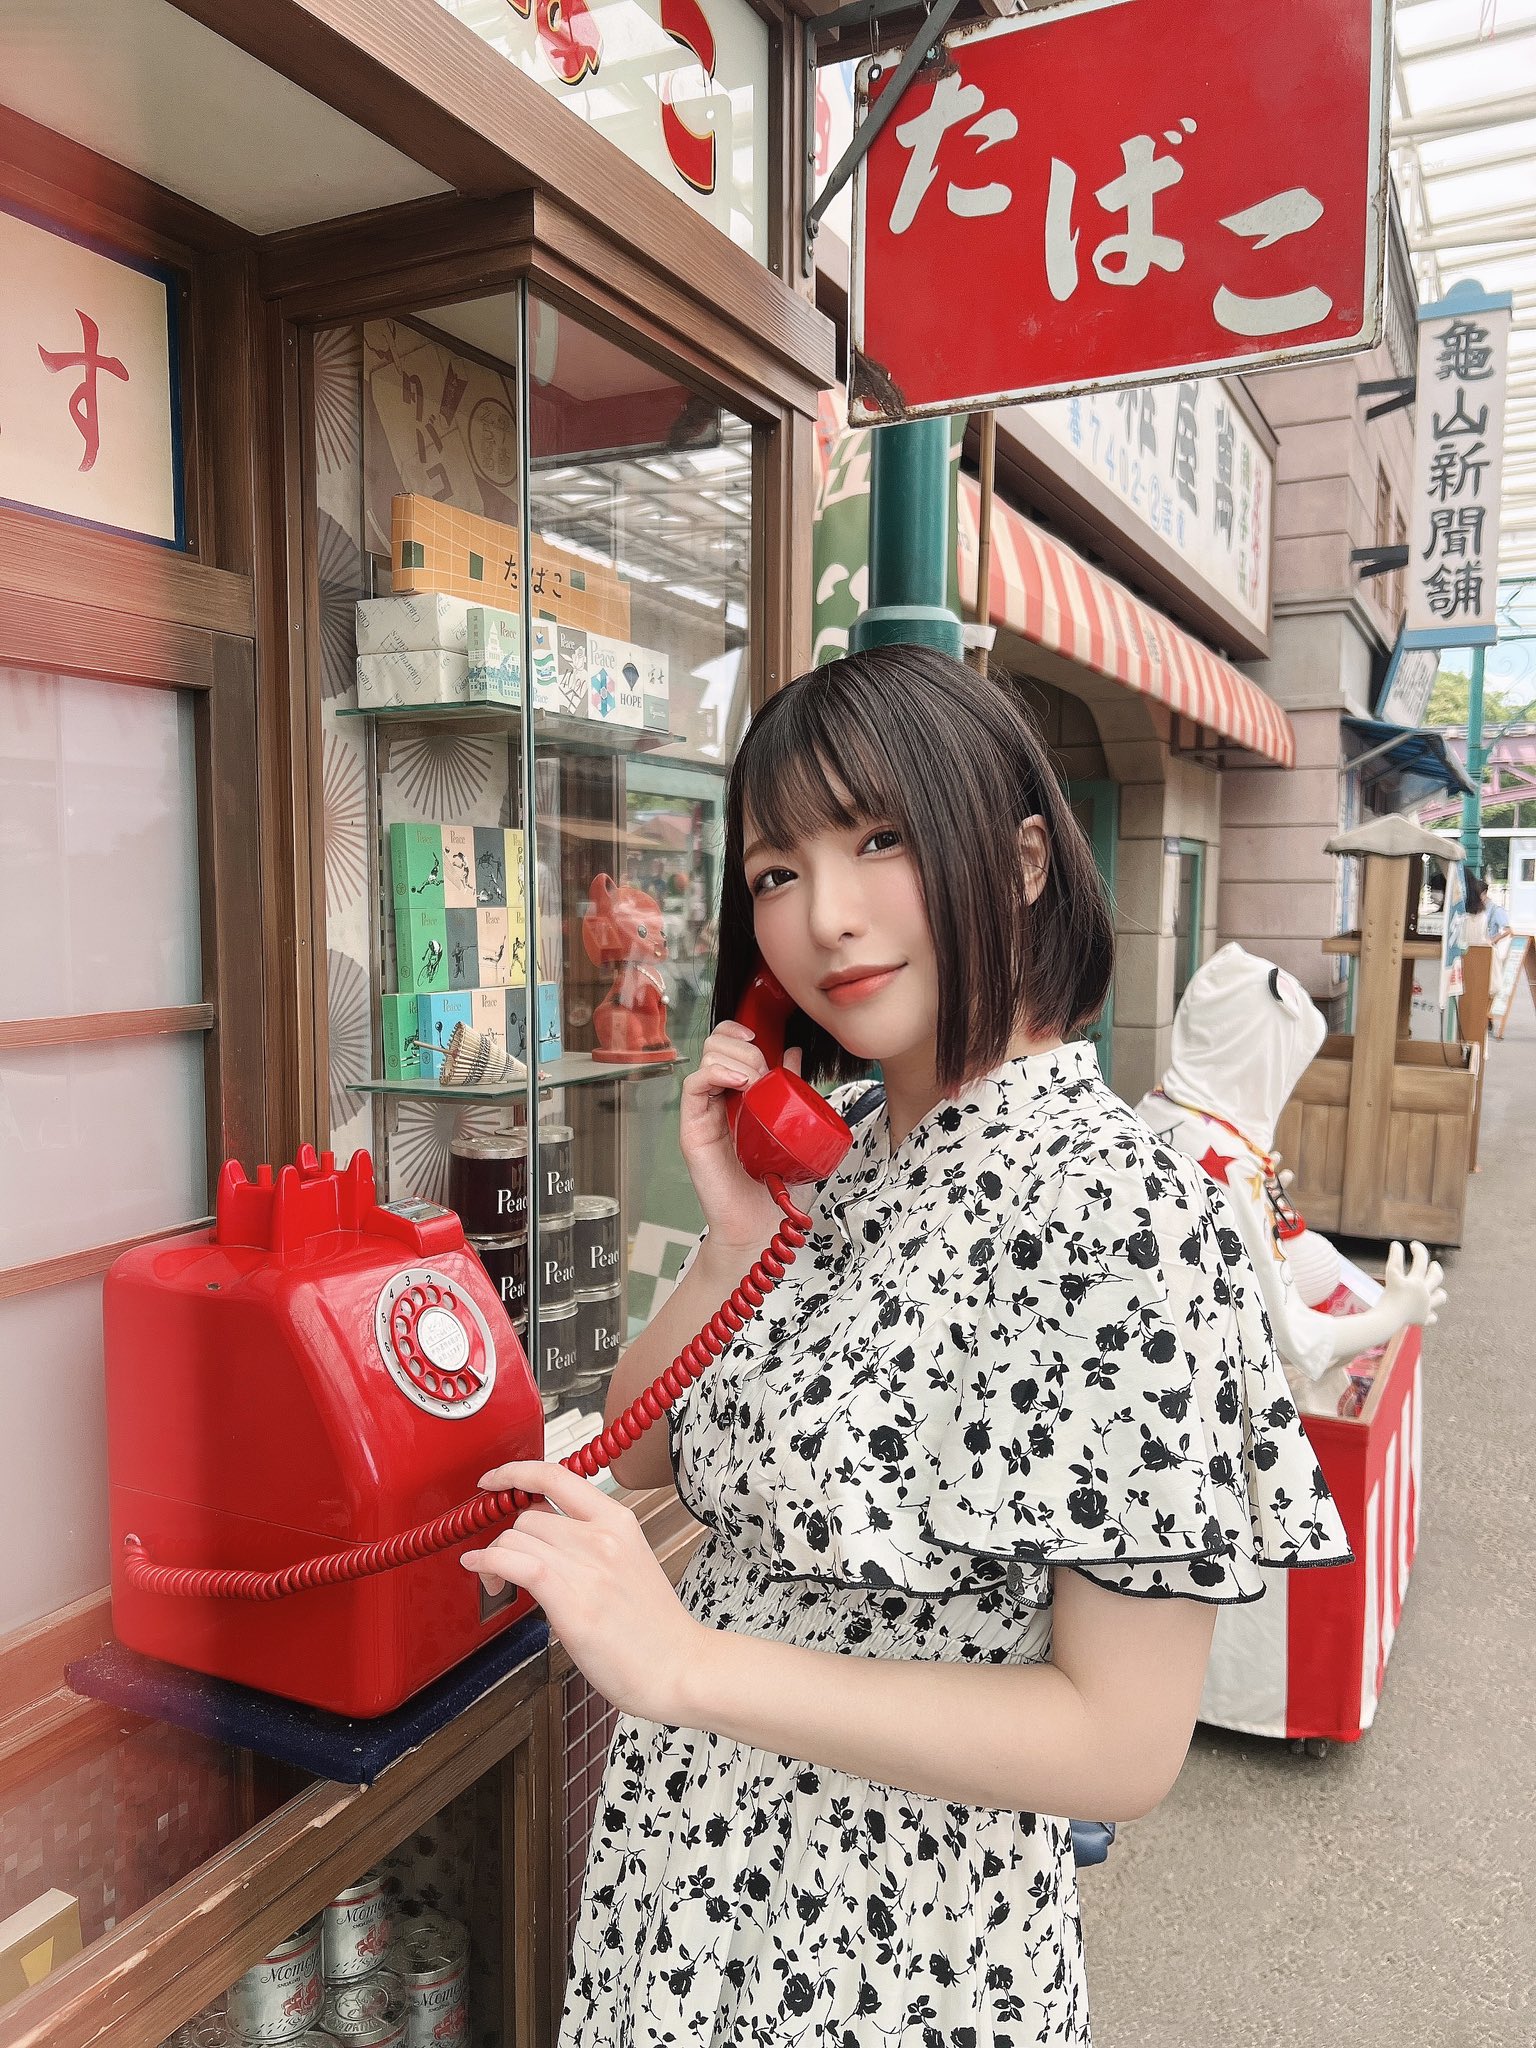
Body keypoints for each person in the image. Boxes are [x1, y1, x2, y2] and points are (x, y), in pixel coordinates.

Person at [463, 648, 1352, 2048]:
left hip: (889, 1947)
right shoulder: (851, 1159)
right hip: (686, 1883)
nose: (825, 915)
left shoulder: (1121, 1211)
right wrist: (733, 1238)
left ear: (1024, 863)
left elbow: (1119, 1743)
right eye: (776, 871)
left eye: (881, 839)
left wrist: (685, 1664)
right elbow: (637, 1457)